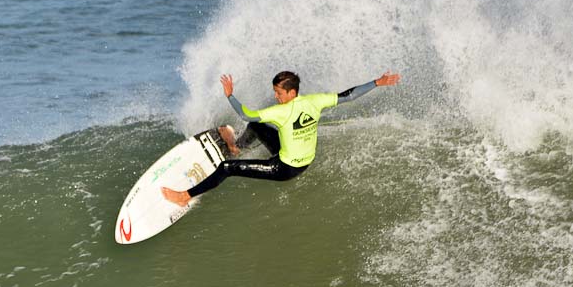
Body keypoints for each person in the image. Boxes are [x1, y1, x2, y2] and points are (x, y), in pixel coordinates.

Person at [162, 70, 401, 207]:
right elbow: (348, 96)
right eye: (275, 92)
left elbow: (245, 112)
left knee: (226, 168)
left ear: (291, 92)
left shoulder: (281, 112)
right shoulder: (315, 100)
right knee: (256, 125)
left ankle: (184, 196)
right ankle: (236, 147)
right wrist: (377, 82)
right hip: (305, 159)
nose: (276, 97)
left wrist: (230, 95)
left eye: (278, 93)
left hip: (284, 168)